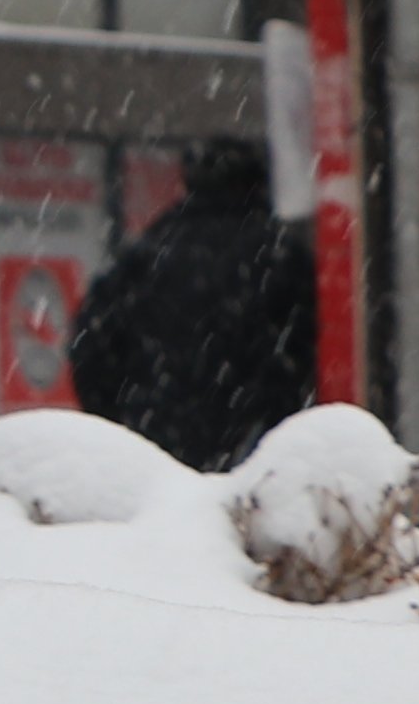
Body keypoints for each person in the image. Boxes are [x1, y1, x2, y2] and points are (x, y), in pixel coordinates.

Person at [67, 143, 315, 467]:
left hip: (157, 446)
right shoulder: (280, 256)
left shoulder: (150, 251)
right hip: (250, 451)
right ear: (260, 184)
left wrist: (125, 418)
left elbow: (92, 345)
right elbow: (304, 352)